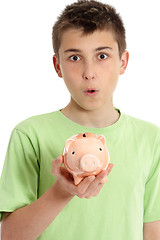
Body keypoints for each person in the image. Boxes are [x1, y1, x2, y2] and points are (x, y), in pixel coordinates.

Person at [0, 0, 160, 239]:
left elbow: (152, 230)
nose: (89, 72)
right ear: (58, 66)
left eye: (102, 55)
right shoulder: (30, 135)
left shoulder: (151, 138)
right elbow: (10, 235)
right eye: (75, 58)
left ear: (123, 62)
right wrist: (61, 192)